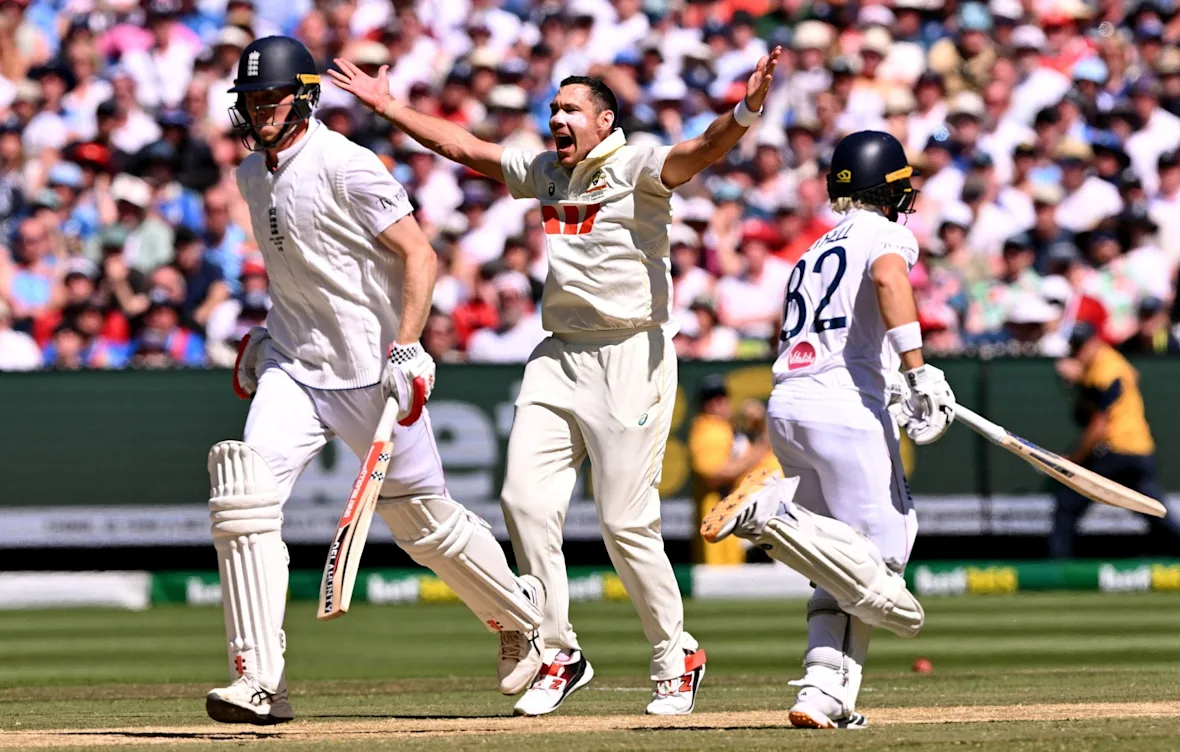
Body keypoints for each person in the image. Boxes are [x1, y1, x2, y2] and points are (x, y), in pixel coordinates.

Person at [328, 44, 783, 716]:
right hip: (558, 354)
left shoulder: (637, 162)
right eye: (553, 109)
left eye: (571, 109)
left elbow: (704, 149)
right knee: (525, 502)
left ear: (605, 121)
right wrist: (389, 106)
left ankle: (675, 653)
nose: (558, 119)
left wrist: (745, 110)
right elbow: (466, 149)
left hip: (632, 354)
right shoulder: (546, 171)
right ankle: (558, 652)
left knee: (626, 522)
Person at [203, 36, 545, 726]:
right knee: (243, 501)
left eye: (272, 97)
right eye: (252, 100)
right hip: (295, 366)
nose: (262, 111)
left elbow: (419, 254)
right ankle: (260, 682)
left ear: (303, 96)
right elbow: (299, 270)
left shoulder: (346, 164)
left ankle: (522, 618)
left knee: (421, 525)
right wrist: (269, 334)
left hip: (369, 370)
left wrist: (410, 346)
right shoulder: (251, 174)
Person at [701, 131, 956, 729]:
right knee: (887, 560)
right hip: (841, 408)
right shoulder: (887, 233)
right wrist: (916, 369)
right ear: (885, 187)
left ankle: (824, 694)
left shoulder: (810, 251)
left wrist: (887, 378)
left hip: (789, 403)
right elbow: (891, 282)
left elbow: (825, 335)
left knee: (835, 568)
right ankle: (776, 517)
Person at [1051, 321, 1180, 559]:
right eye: (1075, 347)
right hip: (1140, 449)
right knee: (1155, 512)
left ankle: (1057, 570)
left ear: (1094, 342)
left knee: (1068, 505)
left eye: (1081, 346)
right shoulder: (1110, 361)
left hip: (1117, 451)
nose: (1077, 352)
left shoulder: (1104, 369)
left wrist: (1074, 460)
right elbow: (1133, 376)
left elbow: (1099, 425)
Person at [688, 375, 778, 566]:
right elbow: (714, 475)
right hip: (716, 513)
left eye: (721, 396)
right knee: (720, 576)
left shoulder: (726, 426)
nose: (717, 403)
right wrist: (758, 450)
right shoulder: (708, 429)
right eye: (710, 399)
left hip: (736, 511)